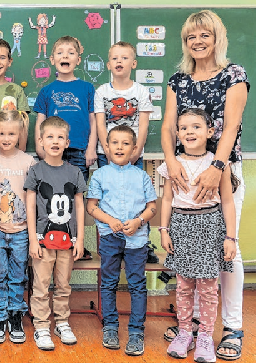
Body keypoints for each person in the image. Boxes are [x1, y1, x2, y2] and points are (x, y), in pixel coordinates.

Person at [160, 10, 249, 360]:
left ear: (217, 38)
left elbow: (229, 127)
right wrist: (170, 161)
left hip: (222, 170)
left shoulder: (233, 74)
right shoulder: (178, 80)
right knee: (191, 250)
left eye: (204, 35)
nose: (198, 42)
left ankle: (232, 326)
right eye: (191, 37)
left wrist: (216, 166)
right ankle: (195, 324)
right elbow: (169, 126)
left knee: (228, 249)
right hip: (183, 168)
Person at [159, 108, 236, 362]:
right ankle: (184, 333)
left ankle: (205, 337)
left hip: (210, 226)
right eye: (184, 128)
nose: (189, 131)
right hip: (181, 226)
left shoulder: (218, 164)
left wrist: (230, 237)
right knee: (183, 287)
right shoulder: (173, 163)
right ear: (178, 134)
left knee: (207, 288)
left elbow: (227, 201)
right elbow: (168, 199)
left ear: (210, 132)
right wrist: (164, 230)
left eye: (196, 127)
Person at [87, 125, 157, 356]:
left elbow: (152, 208)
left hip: (137, 239)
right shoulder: (99, 175)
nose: (119, 147)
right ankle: (110, 327)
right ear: (106, 147)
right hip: (110, 237)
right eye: (114, 143)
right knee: (108, 283)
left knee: (137, 284)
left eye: (125, 143)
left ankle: (136, 331)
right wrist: (110, 220)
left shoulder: (142, 175)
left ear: (134, 148)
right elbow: (92, 206)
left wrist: (138, 221)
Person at [25, 116, 86, 351]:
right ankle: (41, 325)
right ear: (40, 141)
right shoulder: (36, 171)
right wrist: (33, 239)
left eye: (60, 137)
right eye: (49, 137)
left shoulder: (75, 172)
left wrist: (79, 238)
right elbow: (30, 206)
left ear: (67, 142)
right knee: (40, 285)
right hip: (42, 241)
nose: (55, 141)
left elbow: (79, 206)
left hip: (68, 241)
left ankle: (61, 322)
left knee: (63, 284)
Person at [0, 110, 35, 344]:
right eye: (2, 133)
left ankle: (15, 316)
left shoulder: (28, 161)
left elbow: (32, 198)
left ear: (19, 134)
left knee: (17, 276)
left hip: (21, 232)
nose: (6, 138)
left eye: (11, 134)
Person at [34, 35, 97, 182]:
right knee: (52, 192)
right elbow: (40, 122)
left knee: (77, 194)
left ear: (78, 60)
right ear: (52, 59)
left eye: (71, 52)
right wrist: (39, 146)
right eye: (60, 52)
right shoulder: (46, 91)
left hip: (80, 151)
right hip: (52, 149)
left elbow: (93, 121)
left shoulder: (87, 88)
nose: (65, 56)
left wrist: (91, 148)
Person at [94, 41, 152, 168]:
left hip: (133, 153)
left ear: (134, 64)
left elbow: (143, 126)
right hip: (106, 154)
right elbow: (100, 125)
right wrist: (108, 152)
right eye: (115, 58)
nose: (119, 61)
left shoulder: (142, 91)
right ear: (109, 65)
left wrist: (136, 153)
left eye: (124, 58)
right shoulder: (101, 92)